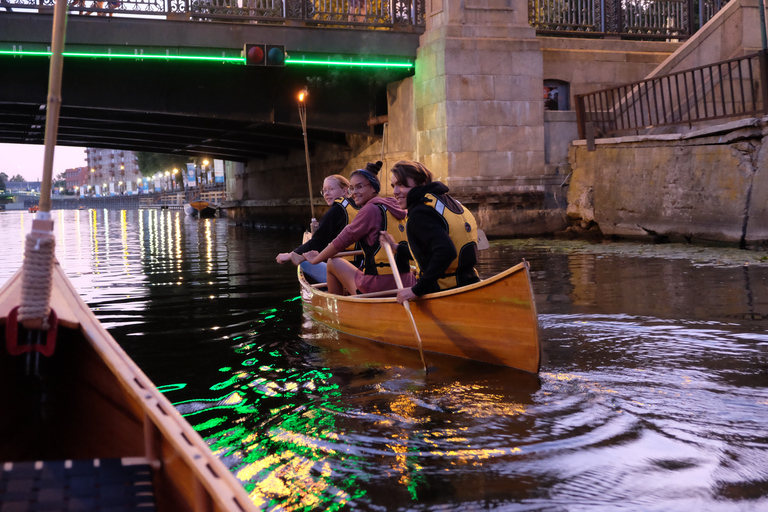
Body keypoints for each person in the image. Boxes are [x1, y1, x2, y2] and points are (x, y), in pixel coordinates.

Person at [303, 161, 414, 295]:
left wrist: (316, 259)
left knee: (332, 262)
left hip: (378, 285)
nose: (354, 192)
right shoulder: (399, 208)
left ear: (373, 188)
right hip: (407, 281)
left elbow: (341, 241)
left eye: (359, 187)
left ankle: (338, 307)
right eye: (352, 188)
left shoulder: (370, 210)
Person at [380, 159, 480, 304]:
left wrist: (416, 290)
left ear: (421, 184)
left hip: (445, 292)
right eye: (393, 185)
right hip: (470, 284)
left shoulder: (420, 212)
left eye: (401, 185)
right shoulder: (448, 201)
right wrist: (397, 248)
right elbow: (431, 251)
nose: (395, 192)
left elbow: (446, 252)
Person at [275, 174, 359, 283]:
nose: (327, 194)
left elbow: (318, 242)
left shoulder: (336, 210)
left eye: (331, 189)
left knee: (303, 263)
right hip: (361, 266)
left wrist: (290, 255)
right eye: (324, 191)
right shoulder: (358, 206)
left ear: (344, 191)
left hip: (346, 270)